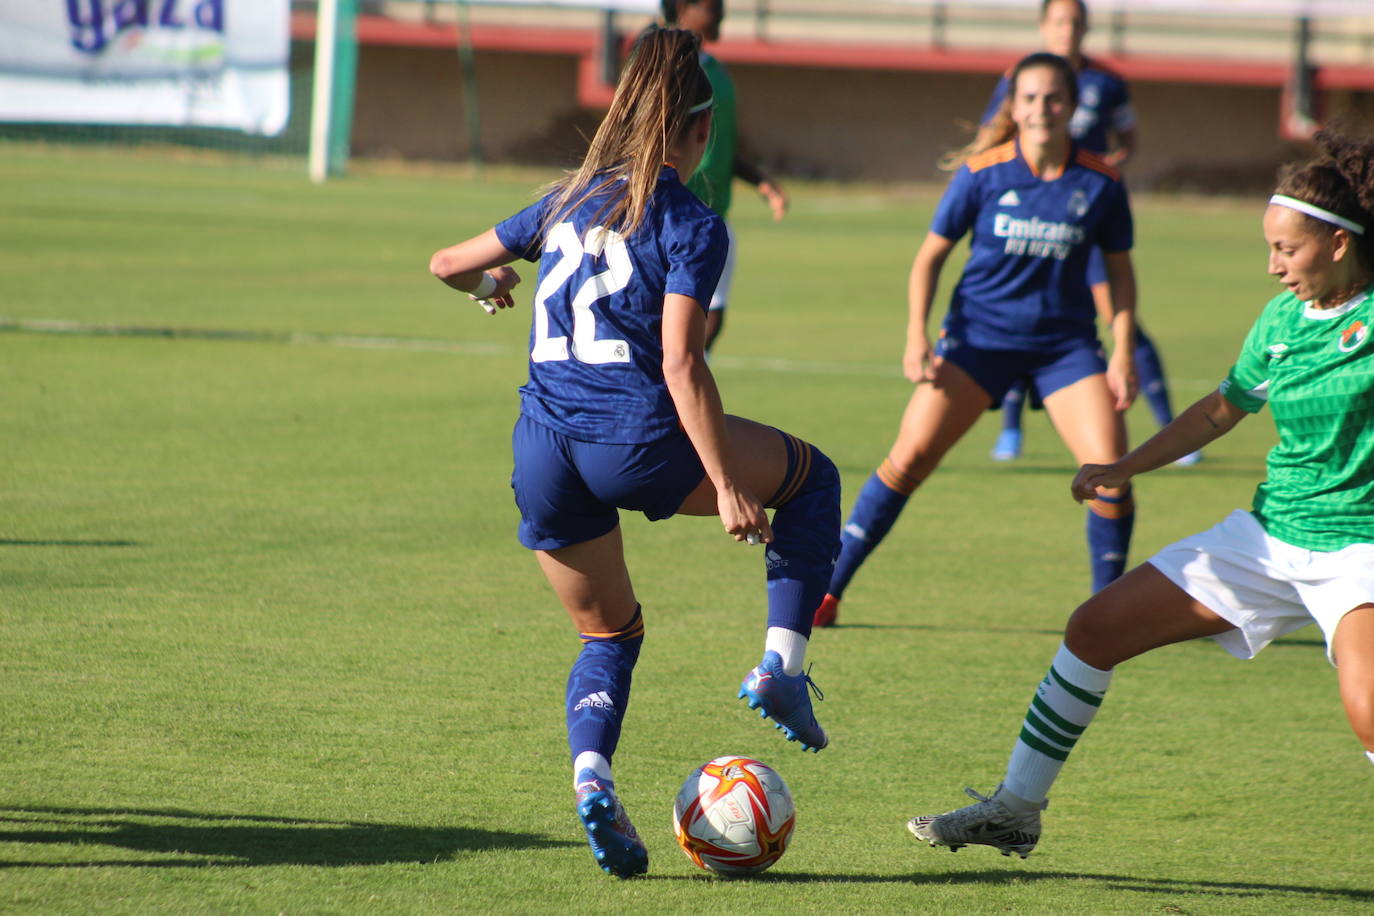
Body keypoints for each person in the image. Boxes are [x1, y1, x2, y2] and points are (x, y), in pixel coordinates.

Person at [428, 28, 839, 880]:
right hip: (634, 441)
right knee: (813, 480)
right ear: (703, 131)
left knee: (609, 633)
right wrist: (726, 485)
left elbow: (444, 264)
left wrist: (487, 286)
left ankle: (591, 778)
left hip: (543, 449)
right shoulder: (693, 223)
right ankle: (781, 668)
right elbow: (683, 364)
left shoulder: (565, 199)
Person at [908, 129, 1374, 859]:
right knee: (1093, 629)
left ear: (1340, 245)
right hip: (1270, 535)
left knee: (1369, 708)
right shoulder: (1282, 320)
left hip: (1358, 548)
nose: (1272, 265)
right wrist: (1124, 466)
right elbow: (1222, 409)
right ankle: (1015, 809)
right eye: (1269, 247)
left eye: (1287, 250)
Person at [813, 52, 1138, 629]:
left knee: (1110, 472)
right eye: (1031, 98)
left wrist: (1121, 350)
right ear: (1013, 105)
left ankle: (1106, 612)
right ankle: (828, 591)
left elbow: (1119, 272)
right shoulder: (982, 173)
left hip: (1064, 349)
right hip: (977, 343)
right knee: (908, 459)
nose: (1042, 109)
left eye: (1054, 98)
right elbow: (929, 258)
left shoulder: (1102, 181)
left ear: (1073, 105)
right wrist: (917, 335)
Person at [980, 0, 1198, 466]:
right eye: (1059, 21)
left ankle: (1170, 427)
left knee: (1121, 318)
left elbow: (1127, 137)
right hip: (1030, 219)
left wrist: (1109, 171)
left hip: (1083, 222)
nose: (1068, 30)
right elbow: (994, 136)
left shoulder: (1107, 81)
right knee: (1023, 314)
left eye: (1076, 22)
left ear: (1087, 28)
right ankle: (1011, 430)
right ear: (1043, 27)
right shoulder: (1019, 77)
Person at [659, 0, 788, 352]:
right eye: (714, 9)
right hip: (670, 210)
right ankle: (675, 389)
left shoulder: (714, 70)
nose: (722, 18)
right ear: (685, 7)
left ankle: (678, 388)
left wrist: (760, 181)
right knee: (685, 313)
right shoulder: (660, 63)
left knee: (710, 313)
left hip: (712, 212)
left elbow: (720, 144)